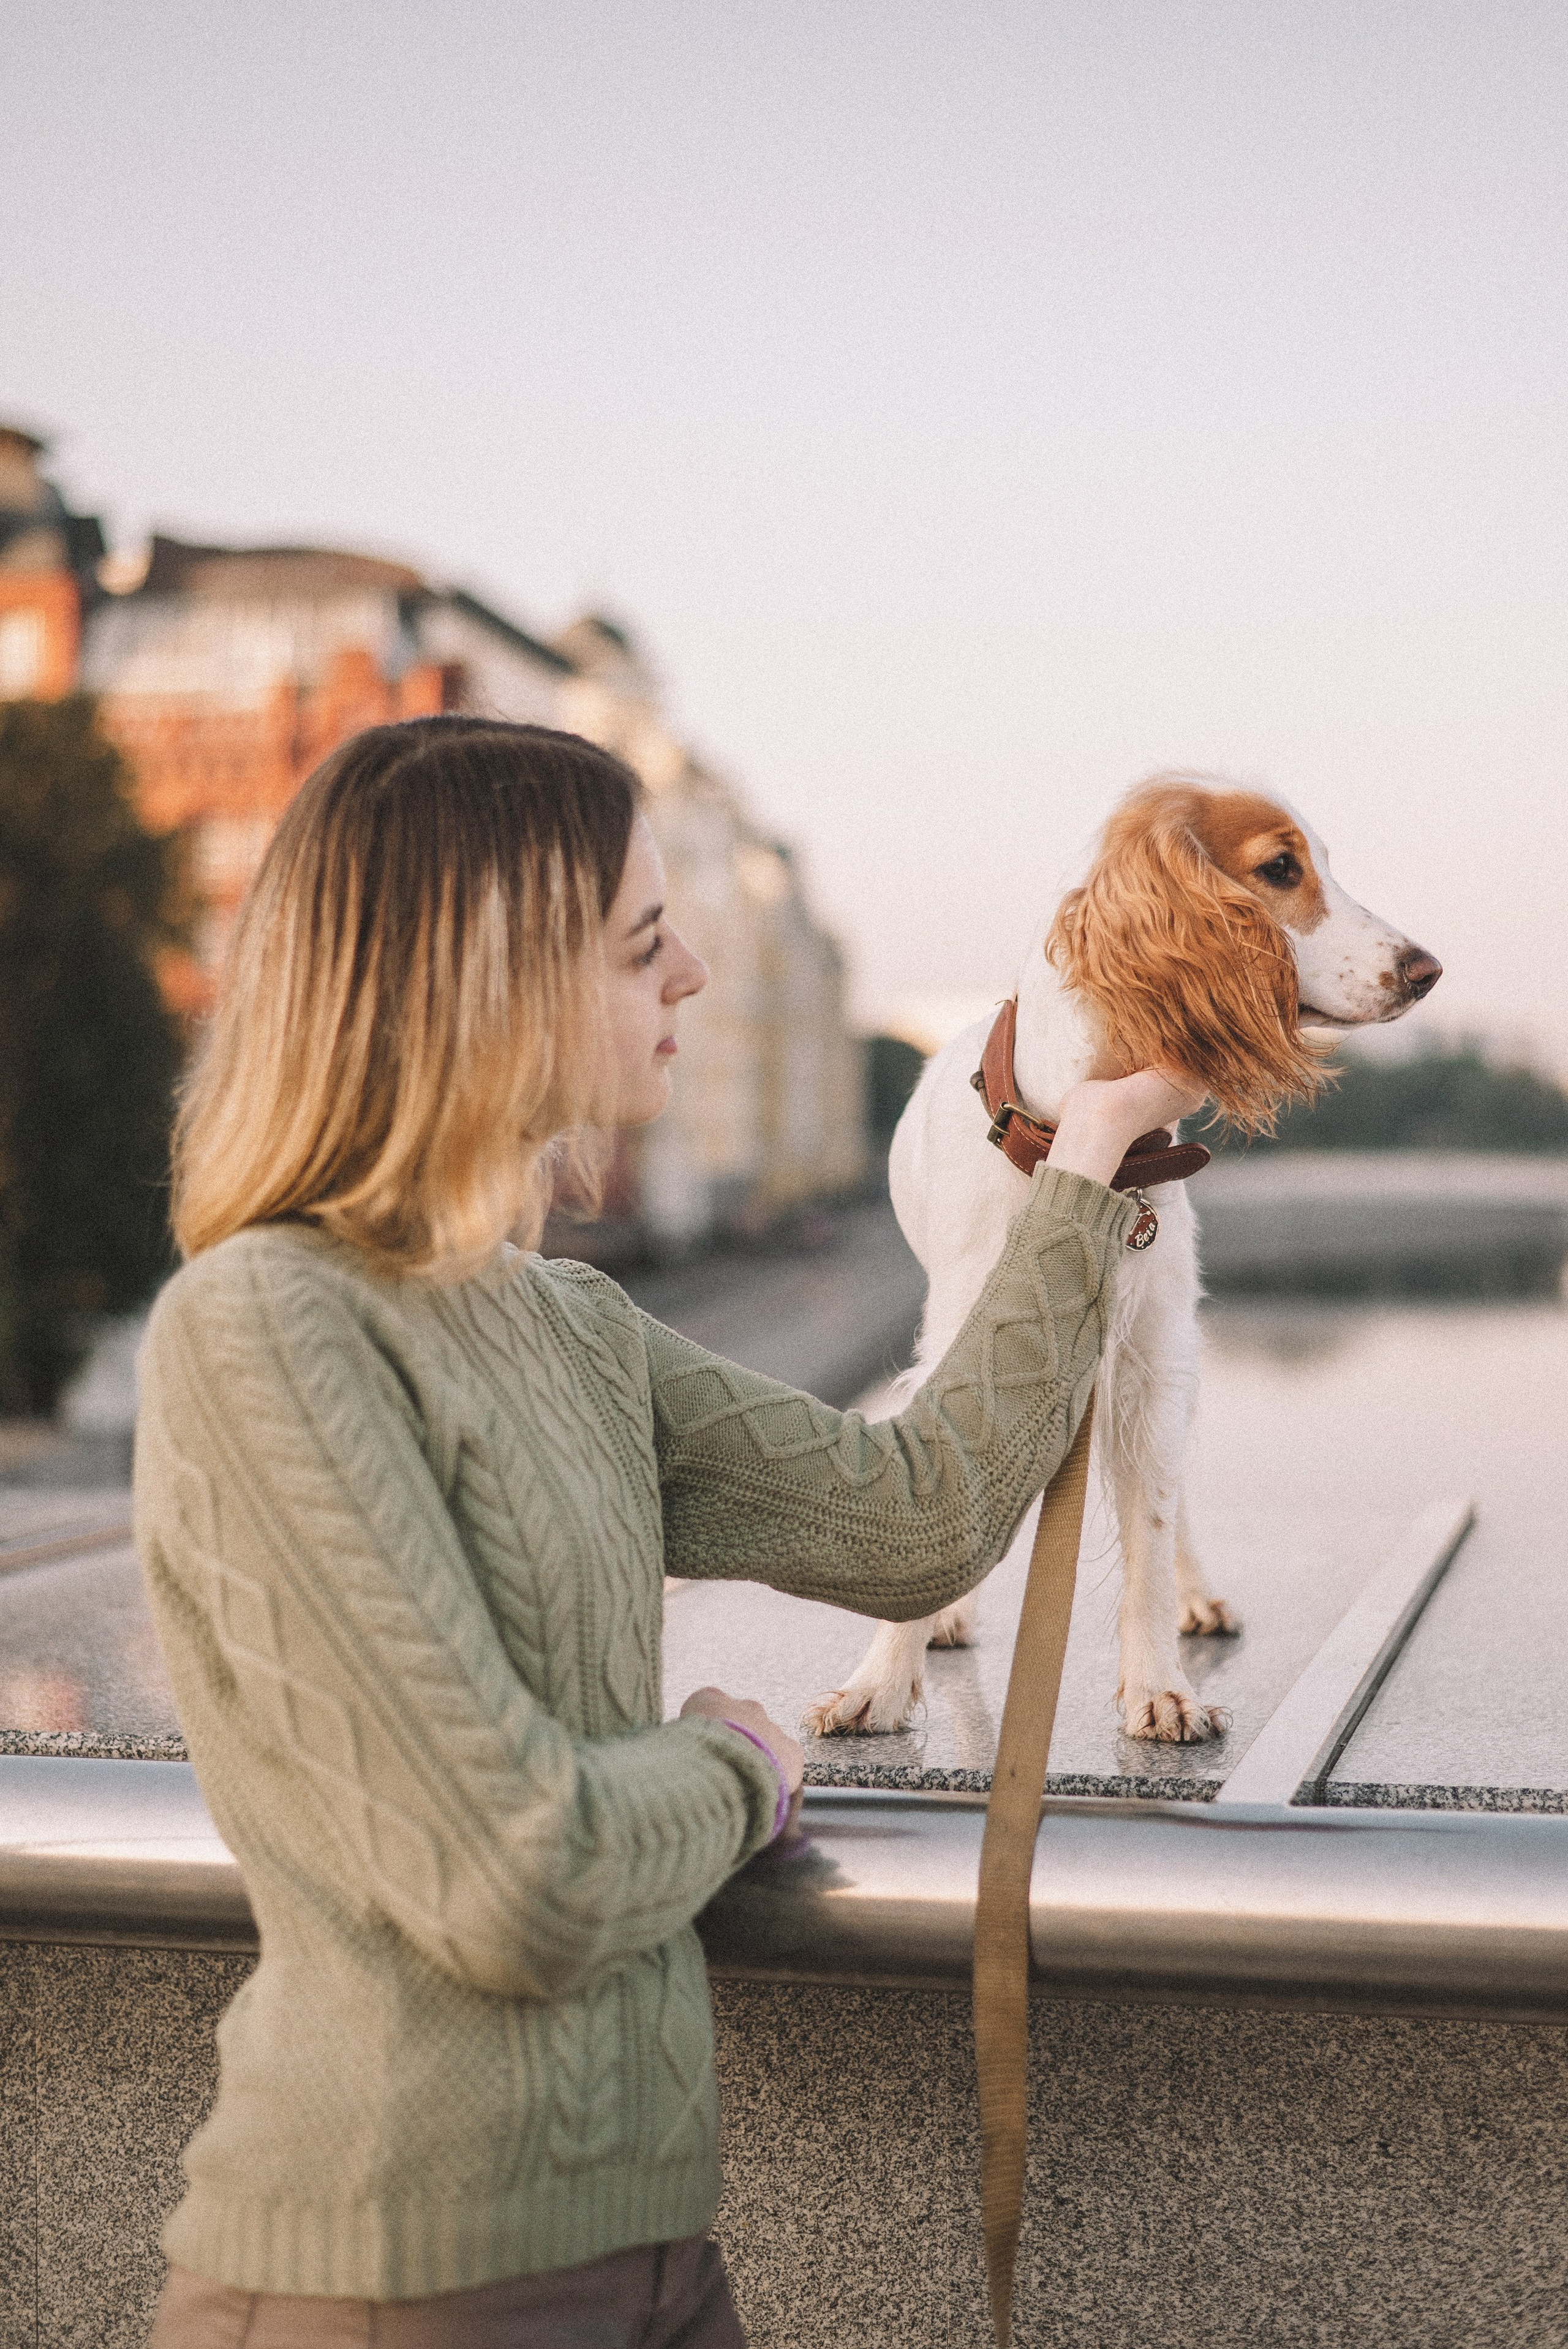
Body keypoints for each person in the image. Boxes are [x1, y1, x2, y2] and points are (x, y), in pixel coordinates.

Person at [137, 717, 1201, 2348]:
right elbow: (516, 1872)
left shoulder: (568, 1322)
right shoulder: (263, 1327)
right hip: (385, 2280)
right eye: (642, 944)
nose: (695, 970)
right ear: (487, 982)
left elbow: (920, 1519)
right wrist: (743, 1765)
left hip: (655, 2252)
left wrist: (1083, 1168)